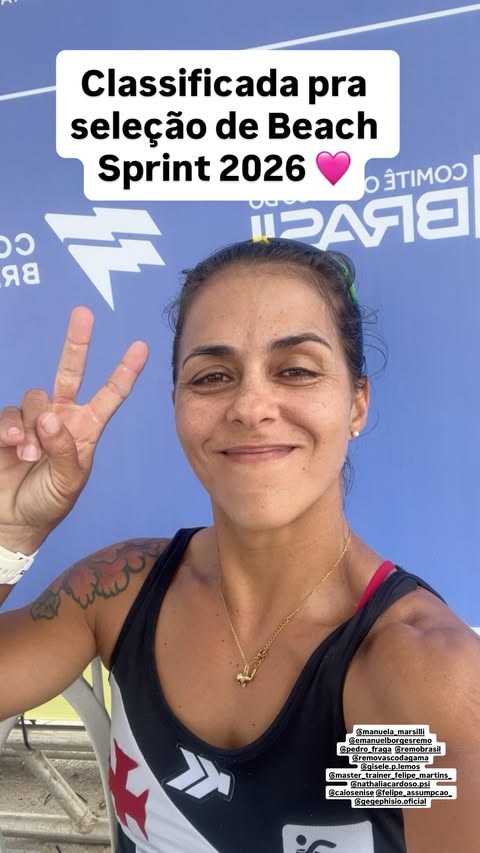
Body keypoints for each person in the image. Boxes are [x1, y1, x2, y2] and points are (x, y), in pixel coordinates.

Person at [0, 237, 479, 853]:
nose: (251, 406)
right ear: (177, 405)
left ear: (357, 403)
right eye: (213, 377)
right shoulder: (119, 593)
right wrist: (10, 535)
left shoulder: (411, 672)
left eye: (296, 370)